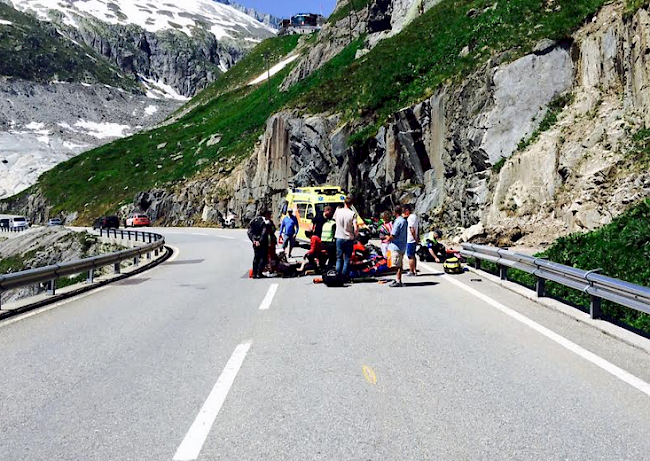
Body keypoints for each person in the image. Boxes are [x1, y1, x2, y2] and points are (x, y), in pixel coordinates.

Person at [334, 196, 359, 281]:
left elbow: (334, 220)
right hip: (348, 237)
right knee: (347, 258)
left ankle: (337, 275)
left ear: (344, 202)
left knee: (339, 258)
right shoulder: (352, 214)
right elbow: (355, 228)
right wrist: (356, 236)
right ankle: (344, 277)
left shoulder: (338, 212)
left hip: (339, 236)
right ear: (351, 204)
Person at [387, 205, 408, 287]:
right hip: (402, 245)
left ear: (395, 212)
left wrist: (388, 238)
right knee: (399, 263)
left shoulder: (398, 221)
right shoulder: (404, 221)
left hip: (396, 246)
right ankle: (397, 279)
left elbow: (393, 235)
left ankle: (398, 281)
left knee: (397, 265)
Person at [247, 209, 272, 279]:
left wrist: (254, 240)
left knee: (256, 258)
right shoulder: (265, 222)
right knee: (262, 258)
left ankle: (254, 274)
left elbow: (249, 232)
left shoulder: (253, 221)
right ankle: (259, 273)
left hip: (255, 242)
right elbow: (264, 232)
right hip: (262, 242)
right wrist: (259, 241)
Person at [404, 204, 420, 276]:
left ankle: (411, 271)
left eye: (404, 211)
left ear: (407, 210)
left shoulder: (410, 218)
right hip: (414, 239)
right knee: (413, 255)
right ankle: (414, 270)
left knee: (410, 256)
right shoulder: (415, 216)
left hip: (410, 239)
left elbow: (412, 229)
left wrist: (414, 237)